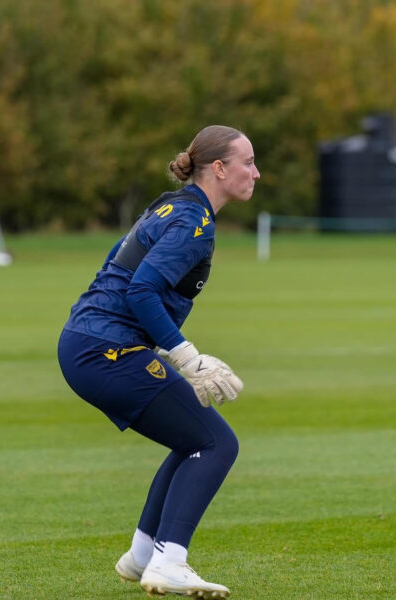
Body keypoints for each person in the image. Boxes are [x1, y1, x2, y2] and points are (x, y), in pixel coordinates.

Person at [57, 125, 260, 599]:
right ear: (220, 169)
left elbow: (113, 266)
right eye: (248, 162)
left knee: (190, 436)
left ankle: (145, 553)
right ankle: (171, 560)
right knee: (215, 444)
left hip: (86, 342)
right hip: (105, 350)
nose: (256, 172)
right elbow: (141, 288)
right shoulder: (194, 222)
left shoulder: (168, 204)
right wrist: (187, 357)